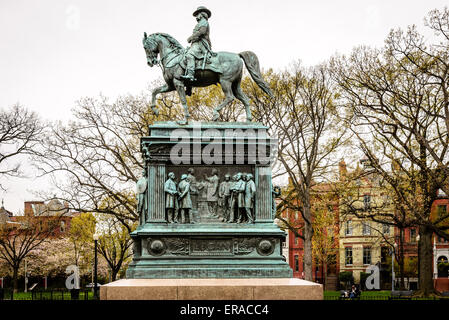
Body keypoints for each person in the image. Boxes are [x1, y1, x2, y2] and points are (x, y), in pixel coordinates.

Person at [181, 6, 213, 82]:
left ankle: (190, 74)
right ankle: (189, 85)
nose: (196, 17)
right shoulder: (200, 22)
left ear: (201, 14)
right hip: (196, 43)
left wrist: (191, 37)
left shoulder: (203, 21)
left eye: (197, 14)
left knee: (189, 55)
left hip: (201, 43)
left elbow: (202, 32)